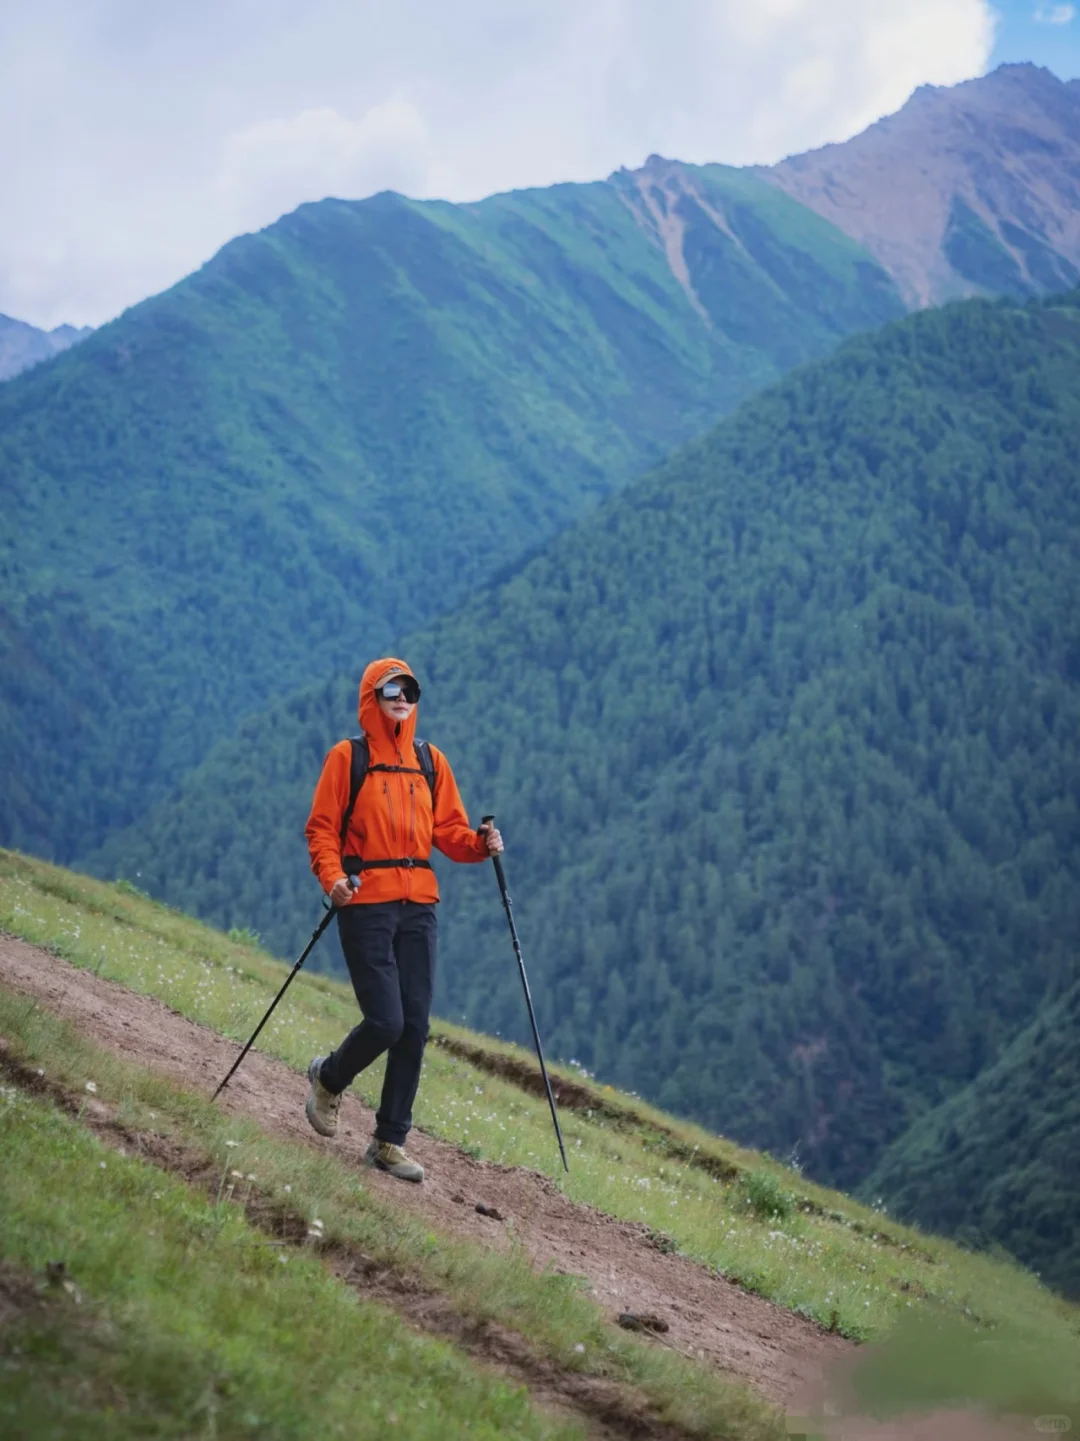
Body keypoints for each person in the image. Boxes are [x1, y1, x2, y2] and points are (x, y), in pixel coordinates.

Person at [303, 656, 502, 1182]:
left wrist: (480, 844)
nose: (401, 698)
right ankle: (329, 1078)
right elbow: (321, 830)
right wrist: (333, 879)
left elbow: (450, 832)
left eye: (409, 691)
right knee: (386, 1022)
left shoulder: (429, 760)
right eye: (391, 690)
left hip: (420, 907)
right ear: (372, 696)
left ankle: (389, 1142)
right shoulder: (348, 758)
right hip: (365, 903)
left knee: (414, 1026)